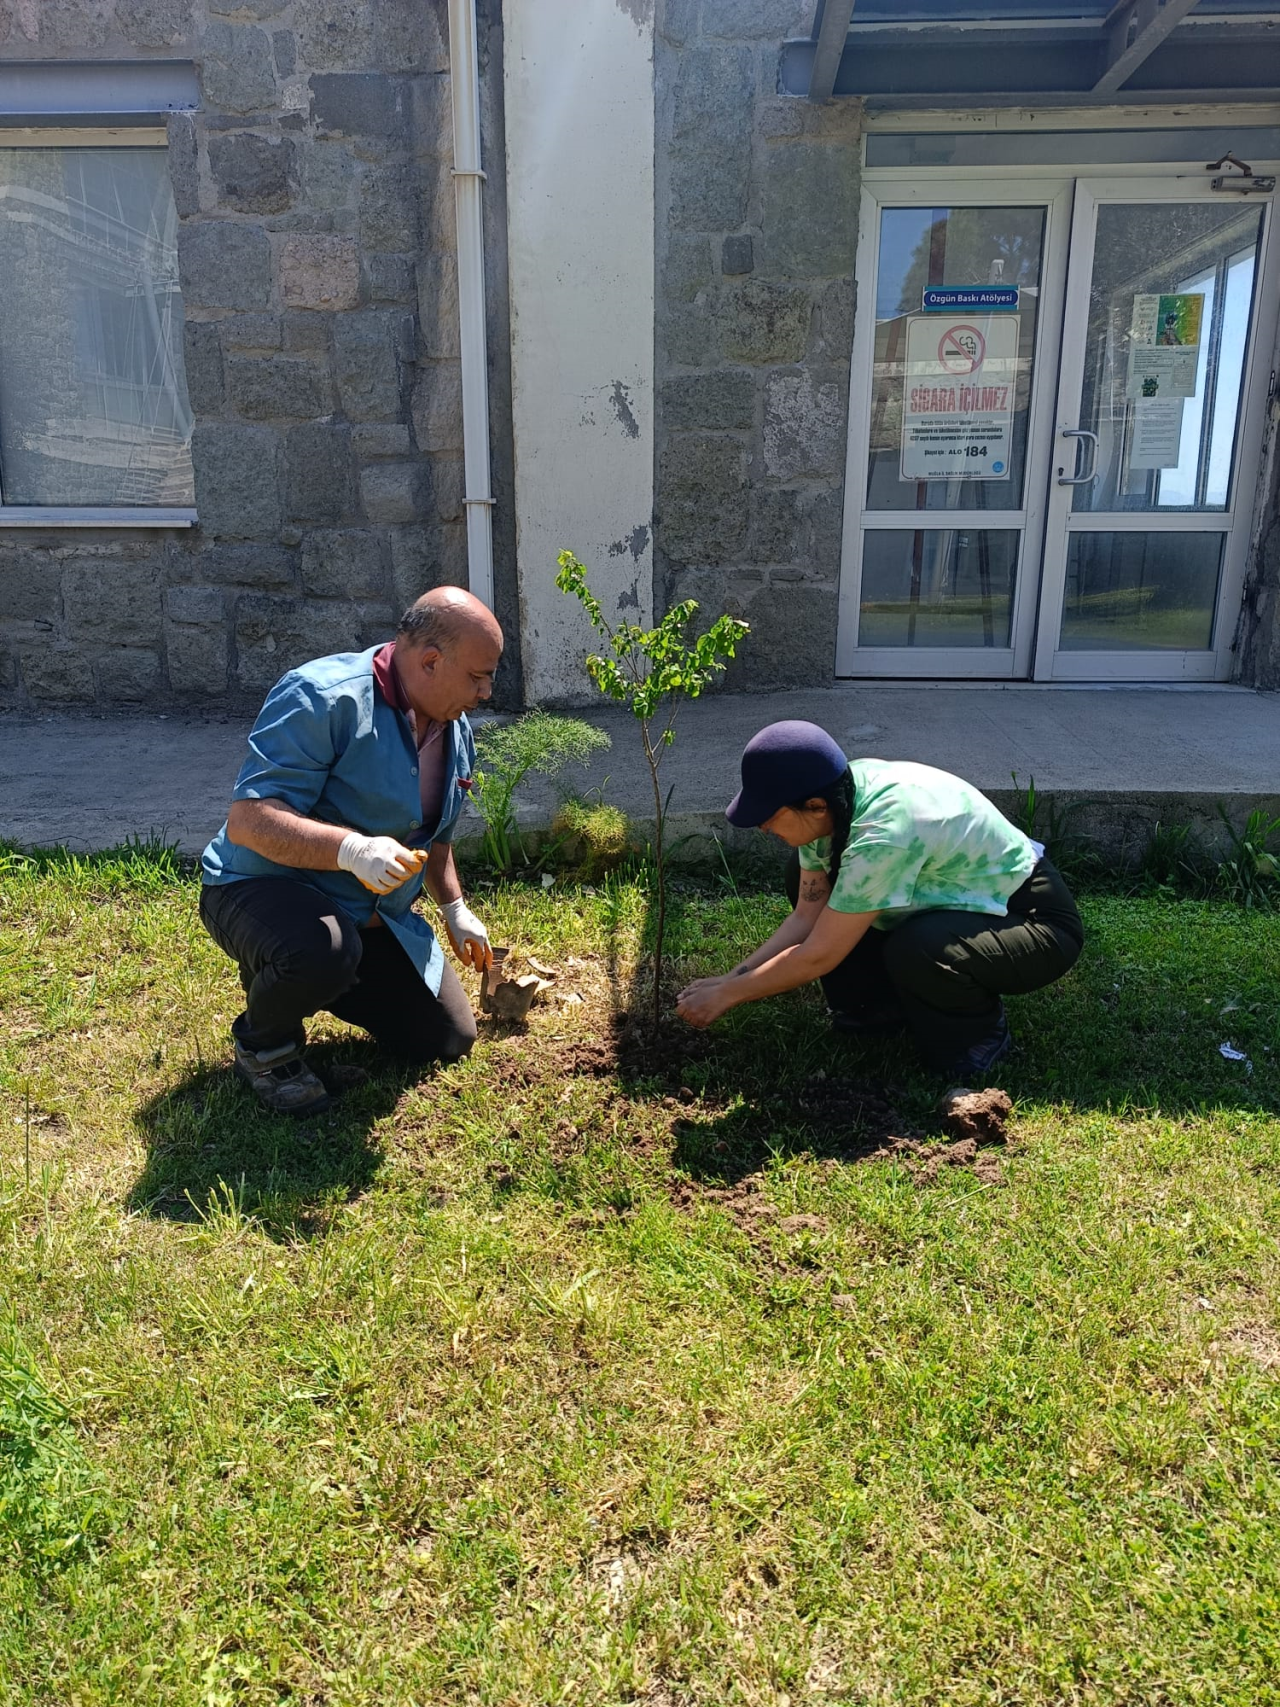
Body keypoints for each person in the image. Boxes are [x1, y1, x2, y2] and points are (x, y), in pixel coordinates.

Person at [199, 587, 502, 1115]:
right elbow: (249, 821)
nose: (487, 692)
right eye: (478, 676)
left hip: (368, 915)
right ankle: (265, 1044)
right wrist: (350, 849)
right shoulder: (321, 697)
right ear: (431, 661)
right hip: (260, 889)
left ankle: (318, 976)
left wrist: (454, 909)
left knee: (447, 1037)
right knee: (322, 949)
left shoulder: (455, 730)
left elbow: (436, 839)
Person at [676, 721, 1083, 1077]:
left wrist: (731, 996)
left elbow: (819, 953)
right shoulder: (834, 797)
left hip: (1032, 922)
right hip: (955, 904)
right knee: (812, 879)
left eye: (769, 815)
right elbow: (806, 918)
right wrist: (731, 977)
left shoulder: (884, 833)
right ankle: (877, 1008)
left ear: (815, 805)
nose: (763, 826)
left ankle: (976, 1036)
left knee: (920, 947)